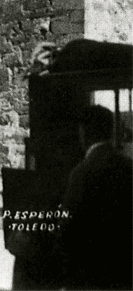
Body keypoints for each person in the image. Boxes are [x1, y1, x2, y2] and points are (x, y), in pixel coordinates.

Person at [59, 104, 132, 290]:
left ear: (84, 132)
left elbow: (68, 229)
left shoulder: (81, 172)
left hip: (91, 273)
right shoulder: (129, 167)